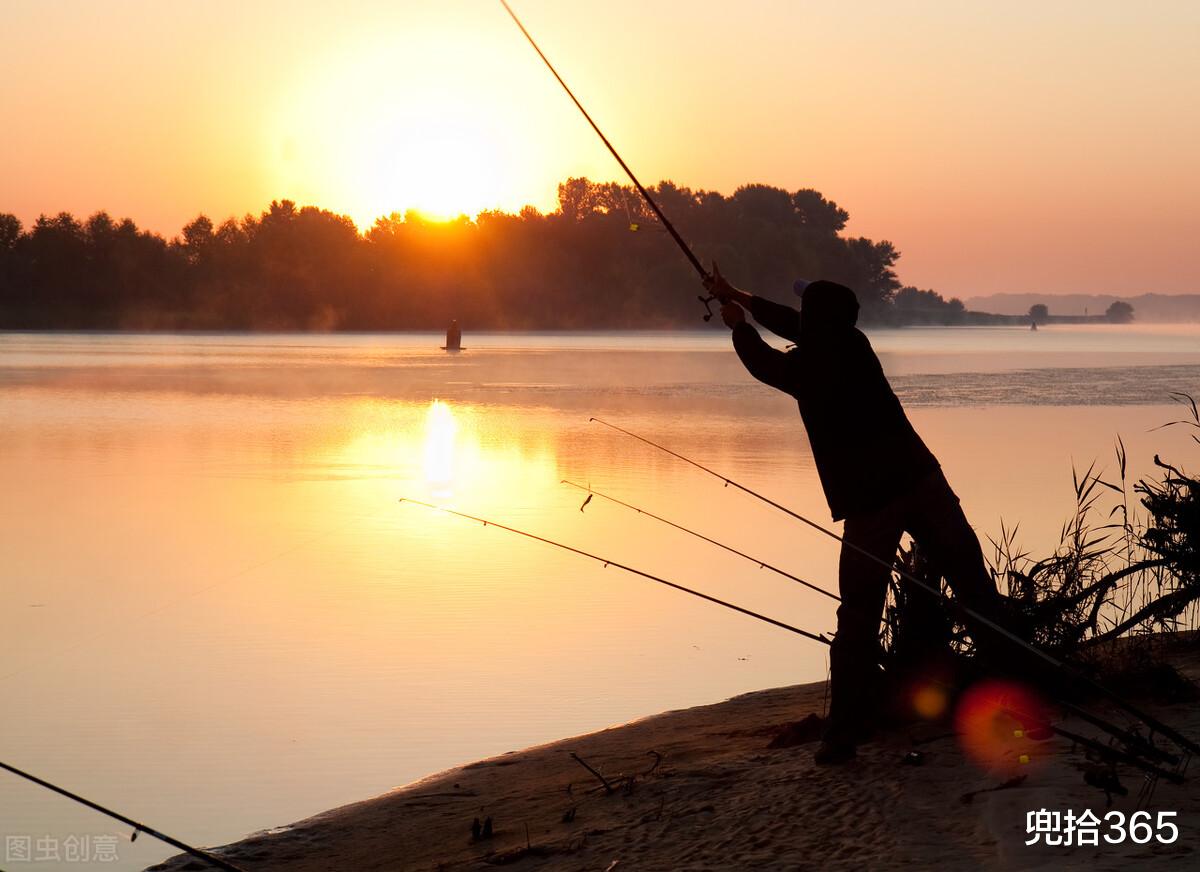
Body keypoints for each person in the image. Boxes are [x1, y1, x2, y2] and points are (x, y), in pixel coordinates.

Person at [705, 264, 1004, 765]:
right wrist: (738, 294)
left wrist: (737, 324)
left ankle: (841, 737)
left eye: (806, 309)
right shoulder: (855, 343)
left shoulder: (808, 368)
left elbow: (764, 365)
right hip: (923, 481)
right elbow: (795, 325)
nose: (799, 315)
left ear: (817, 320)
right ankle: (1022, 696)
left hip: (872, 503)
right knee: (975, 591)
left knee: (858, 616)